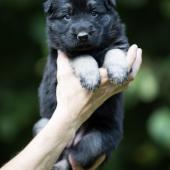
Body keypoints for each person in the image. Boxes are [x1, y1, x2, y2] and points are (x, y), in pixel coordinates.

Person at [1, 45, 142, 170]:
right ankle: (63, 164)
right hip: (62, 132)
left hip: (97, 131)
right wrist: (69, 116)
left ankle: (65, 164)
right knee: (41, 125)